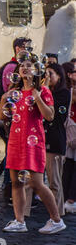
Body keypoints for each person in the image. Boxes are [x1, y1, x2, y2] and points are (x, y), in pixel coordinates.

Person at [0, 58, 66, 234]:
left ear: (36, 70)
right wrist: (2, 101)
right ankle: (19, 221)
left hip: (33, 141)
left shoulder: (42, 91)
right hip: (15, 141)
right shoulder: (14, 92)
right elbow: (3, 116)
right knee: (16, 182)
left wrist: (37, 97)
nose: (24, 68)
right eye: (22, 65)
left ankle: (56, 220)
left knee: (36, 183)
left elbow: (50, 116)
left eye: (29, 66)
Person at [0, 37, 32, 191]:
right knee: (11, 149)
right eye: (28, 48)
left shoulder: (22, 66)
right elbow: (11, 94)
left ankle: (5, 179)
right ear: (18, 49)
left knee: (13, 149)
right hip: (11, 116)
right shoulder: (11, 67)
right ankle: (8, 184)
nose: (30, 51)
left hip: (19, 118)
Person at [43, 63, 71, 216]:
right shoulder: (45, 92)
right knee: (33, 181)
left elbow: (52, 113)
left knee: (54, 181)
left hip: (55, 140)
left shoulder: (63, 93)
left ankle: (57, 214)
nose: (46, 77)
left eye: (50, 73)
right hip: (42, 139)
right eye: (45, 74)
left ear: (59, 76)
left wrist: (45, 88)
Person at [62, 61, 76, 213]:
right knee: (70, 166)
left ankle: (66, 198)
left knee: (68, 166)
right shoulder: (70, 90)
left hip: (70, 130)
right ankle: (70, 199)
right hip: (73, 130)